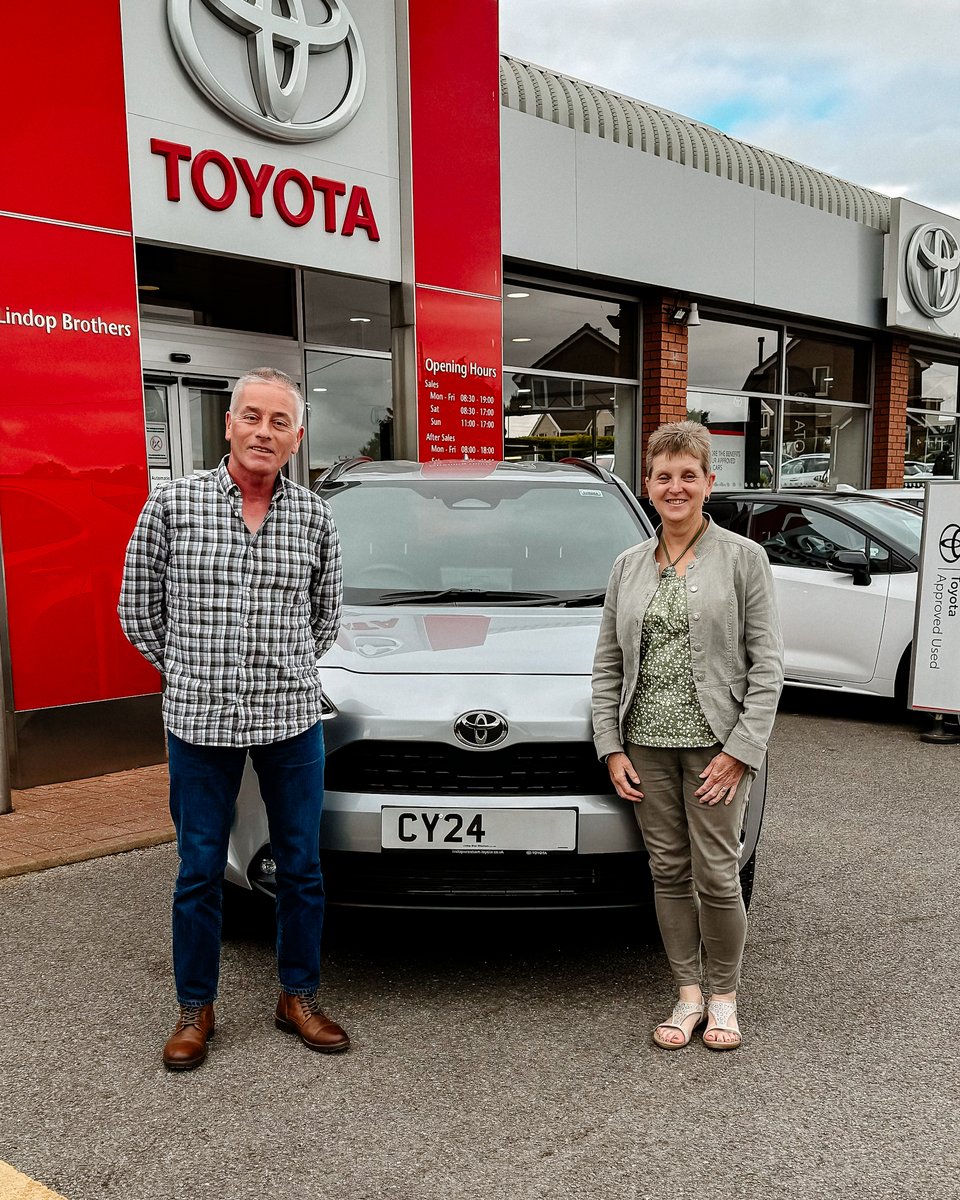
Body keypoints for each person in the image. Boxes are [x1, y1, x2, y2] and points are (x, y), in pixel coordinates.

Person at [119, 367, 348, 1070]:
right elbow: (138, 611)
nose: (263, 432)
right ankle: (196, 1008)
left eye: (279, 422)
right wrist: (191, 672)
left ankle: (297, 996)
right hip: (199, 721)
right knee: (197, 871)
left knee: (302, 866)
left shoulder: (314, 517)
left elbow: (325, 619)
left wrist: (276, 671)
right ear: (229, 424)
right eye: (252, 417)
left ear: (296, 437)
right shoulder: (173, 506)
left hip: (290, 720)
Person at [591, 421, 783, 1051]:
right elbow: (608, 666)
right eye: (664, 476)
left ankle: (724, 999)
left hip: (716, 748)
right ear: (648, 485)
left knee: (719, 874)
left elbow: (768, 666)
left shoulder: (743, 559)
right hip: (644, 741)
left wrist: (741, 752)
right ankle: (687, 996)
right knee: (668, 870)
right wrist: (610, 746)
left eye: (688, 476)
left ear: (709, 482)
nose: (676, 487)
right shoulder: (627, 565)